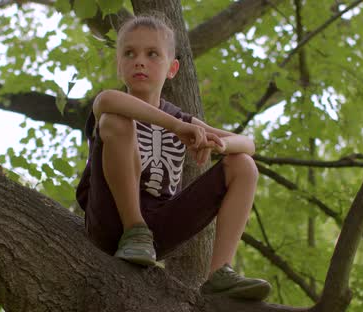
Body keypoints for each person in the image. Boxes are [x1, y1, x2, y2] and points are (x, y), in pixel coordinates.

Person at [76, 14, 271, 300]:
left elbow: (248, 144)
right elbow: (106, 100)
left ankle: (219, 275)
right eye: (129, 53)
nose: (139, 61)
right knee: (115, 121)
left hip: (161, 231)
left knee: (243, 164)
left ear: (172, 68)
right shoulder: (115, 105)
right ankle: (134, 229)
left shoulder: (182, 117)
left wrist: (217, 145)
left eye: (152, 54)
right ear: (120, 66)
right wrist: (178, 127)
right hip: (108, 221)